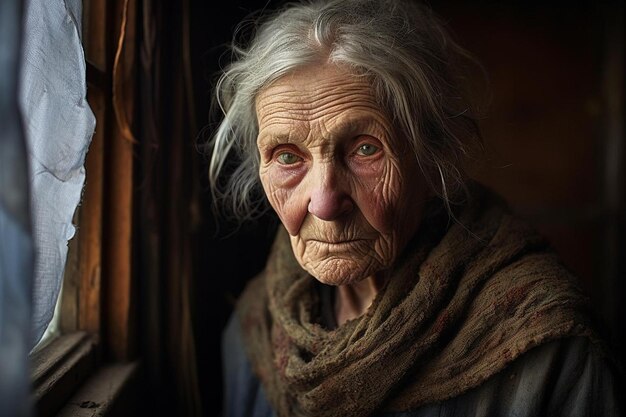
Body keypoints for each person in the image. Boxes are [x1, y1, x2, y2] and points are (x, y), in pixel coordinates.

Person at [207, 0, 624, 416]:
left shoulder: (548, 348)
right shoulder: (257, 326)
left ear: (431, 157)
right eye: (287, 157)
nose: (325, 203)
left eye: (365, 149)